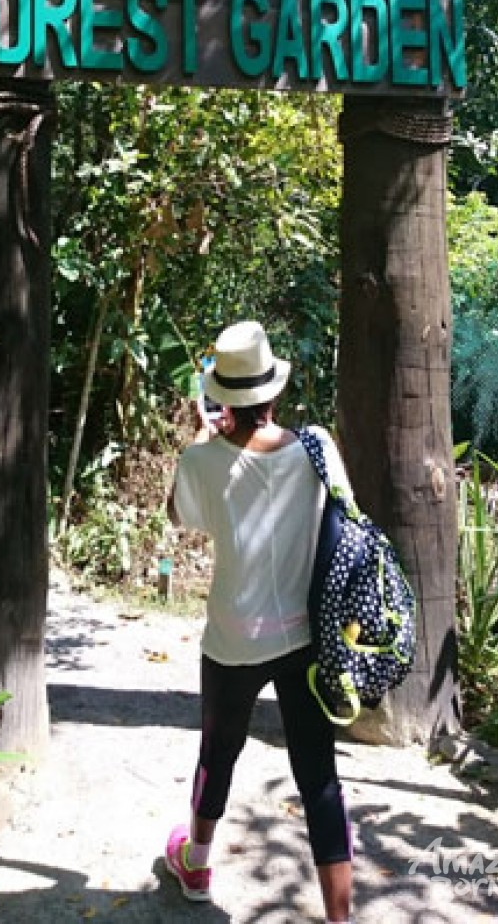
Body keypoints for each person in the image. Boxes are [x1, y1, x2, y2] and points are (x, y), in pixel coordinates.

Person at [165, 320, 355, 924]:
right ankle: (339, 915)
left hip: (231, 638)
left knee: (217, 753)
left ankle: (195, 864)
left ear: (224, 397)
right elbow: (346, 510)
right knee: (318, 775)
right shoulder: (316, 448)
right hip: (305, 637)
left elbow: (178, 515)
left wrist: (203, 440)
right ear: (272, 393)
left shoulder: (203, 460)